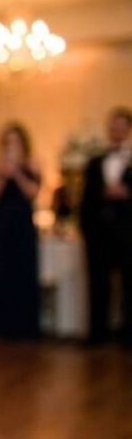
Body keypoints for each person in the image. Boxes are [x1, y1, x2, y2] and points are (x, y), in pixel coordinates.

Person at [0, 122, 41, 340]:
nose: (12, 146)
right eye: (8, 142)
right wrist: (2, 175)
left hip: (22, 226)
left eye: (15, 142)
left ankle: (22, 326)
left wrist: (16, 173)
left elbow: (32, 193)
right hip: (1, 224)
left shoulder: (32, 165)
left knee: (21, 271)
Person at [80, 107, 132, 346]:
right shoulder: (95, 162)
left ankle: (127, 335)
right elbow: (86, 200)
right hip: (99, 234)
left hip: (127, 233)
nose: (116, 131)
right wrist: (87, 231)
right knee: (97, 284)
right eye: (113, 126)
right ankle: (97, 333)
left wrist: (126, 193)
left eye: (121, 126)